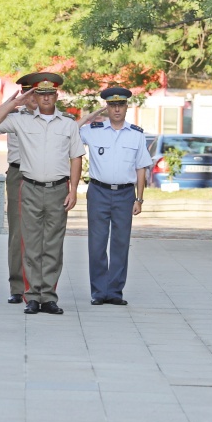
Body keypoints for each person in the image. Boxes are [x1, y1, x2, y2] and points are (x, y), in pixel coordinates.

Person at [0, 72, 84, 316]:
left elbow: (76, 157)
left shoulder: (68, 123)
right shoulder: (21, 121)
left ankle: (49, 296)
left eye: (50, 93)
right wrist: (12, 103)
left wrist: (75, 190)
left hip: (58, 189)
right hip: (30, 188)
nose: (46, 97)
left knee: (53, 245)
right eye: (41, 93)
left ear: (56, 95)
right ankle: (32, 296)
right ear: (34, 95)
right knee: (31, 245)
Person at [78, 87, 153, 306]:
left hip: (125, 194)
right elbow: (70, 130)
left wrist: (139, 199)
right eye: (112, 105)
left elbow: (141, 168)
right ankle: (99, 291)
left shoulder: (137, 134)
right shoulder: (94, 130)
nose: (117, 109)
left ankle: (115, 291)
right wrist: (92, 115)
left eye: (120, 105)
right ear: (107, 108)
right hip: (99, 191)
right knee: (97, 243)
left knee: (121, 243)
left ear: (127, 107)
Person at [1, 74, 40, 304]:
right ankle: (17, 286)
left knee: (40, 233)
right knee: (17, 232)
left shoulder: (50, 118)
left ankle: (37, 284)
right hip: (18, 174)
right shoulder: (12, 116)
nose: (31, 98)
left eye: (35, 93)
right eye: (27, 93)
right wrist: (10, 104)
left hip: (41, 175)